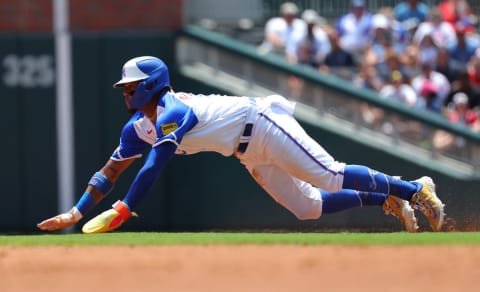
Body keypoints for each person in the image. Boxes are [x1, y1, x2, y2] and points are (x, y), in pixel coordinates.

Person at [37, 56, 445, 234]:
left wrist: (125, 208)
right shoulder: (135, 129)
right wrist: (75, 212)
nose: (125, 93)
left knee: (330, 175)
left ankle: (414, 189)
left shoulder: (173, 111)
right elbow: (110, 171)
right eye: (124, 88)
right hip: (246, 150)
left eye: (130, 86)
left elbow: (154, 166)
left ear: (149, 85)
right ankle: (385, 199)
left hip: (263, 123)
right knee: (308, 208)